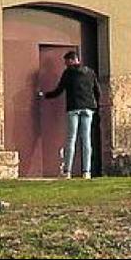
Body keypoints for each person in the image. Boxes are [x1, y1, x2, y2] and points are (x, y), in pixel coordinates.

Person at [37, 50, 101, 179]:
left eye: (66, 62)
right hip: (88, 108)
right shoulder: (90, 72)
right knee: (86, 140)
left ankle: (67, 171)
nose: (66, 65)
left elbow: (59, 90)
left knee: (71, 139)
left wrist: (44, 95)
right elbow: (97, 90)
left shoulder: (68, 73)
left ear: (72, 60)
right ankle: (86, 172)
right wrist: (95, 106)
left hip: (74, 108)